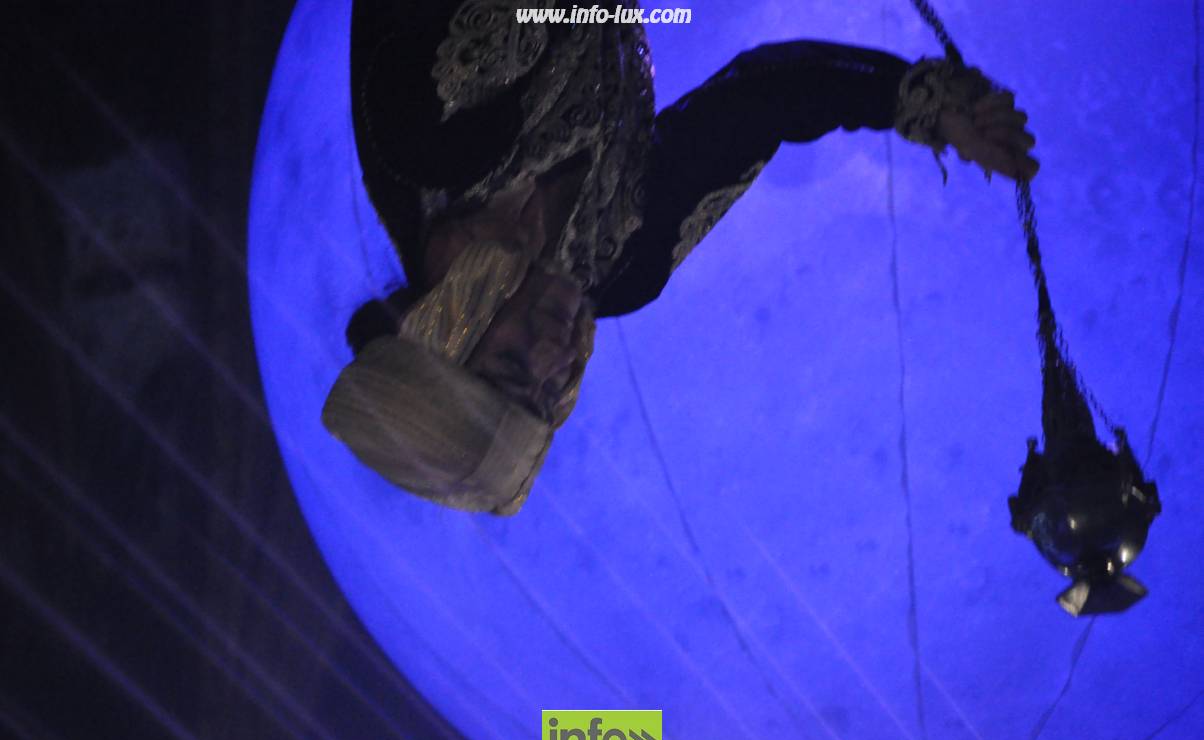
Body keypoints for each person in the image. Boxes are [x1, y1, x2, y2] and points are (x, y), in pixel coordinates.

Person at [322, 0, 1039, 514]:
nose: (555, 361)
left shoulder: (425, 139)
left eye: (512, 365)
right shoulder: (617, 263)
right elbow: (763, 103)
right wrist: (926, 106)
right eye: (548, 398)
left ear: (440, 327)